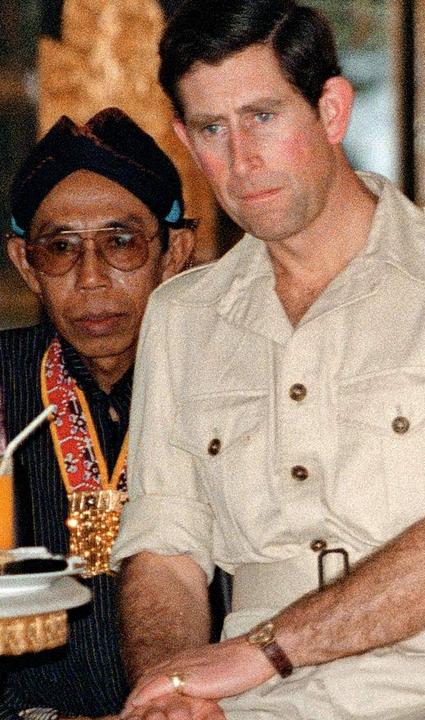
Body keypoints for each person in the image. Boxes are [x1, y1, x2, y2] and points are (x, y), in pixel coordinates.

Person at [110, 1, 425, 719]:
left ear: (333, 110)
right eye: (211, 130)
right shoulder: (182, 316)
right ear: (186, 143)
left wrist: (266, 649)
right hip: (245, 699)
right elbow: (167, 554)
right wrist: (174, 688)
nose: (241, 159)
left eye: (263, 116)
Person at [0, 107, 196, 720]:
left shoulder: (233, 388)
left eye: (121, 242)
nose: (91, 279)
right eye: (60, 248)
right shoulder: (2, 384)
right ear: (26, 263)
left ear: (174, 251)